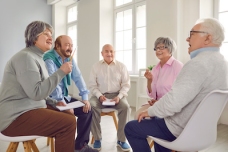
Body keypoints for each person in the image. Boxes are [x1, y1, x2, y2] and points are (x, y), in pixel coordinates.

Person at [124, 17, 228, 152]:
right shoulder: (223, 64)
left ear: (207, 39)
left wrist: (149, 111)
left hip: (179, 127)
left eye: (192, 34)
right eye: (157, 48)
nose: (187, 39)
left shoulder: (197, 64)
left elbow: (173, 102)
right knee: (157, 126)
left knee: (131, 128)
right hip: (202, 129)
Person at [0, 21, 76, 152]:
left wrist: (55, 102)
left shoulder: (37, 57)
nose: (50, 37)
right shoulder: (25, 57)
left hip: (29, 108)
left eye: (51, 34)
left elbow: (39, 91)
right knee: (68, 124)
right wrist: (61, 72)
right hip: (14, 118)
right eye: (46, 34)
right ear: (34, 37)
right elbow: (36, 93)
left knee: (69, 117)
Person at [43, 35, 97, 152]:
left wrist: (85, 98)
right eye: (67, 45)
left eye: (71, 45)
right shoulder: (49, 59)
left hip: (64, 97)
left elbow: (78, 77)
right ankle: (66, 148)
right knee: (68, 116)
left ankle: (80, 146)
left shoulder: (69, 59)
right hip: (51, 99)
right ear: (57, 46)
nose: (70, 48)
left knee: (87, 110)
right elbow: (53, 84)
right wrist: (62, 102)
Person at [88, 44, 131, 151]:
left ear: (114, 53)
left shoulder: (121, 66)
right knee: (91, 106)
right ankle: (97, 138)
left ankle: (121, 140)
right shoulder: (96, 66)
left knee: (125, 107)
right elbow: (92, 85)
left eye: (111, 51)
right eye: (106, 51)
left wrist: (119, 97)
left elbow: (126, 85)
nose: (109, 53)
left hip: (117, 95)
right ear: (102, 53)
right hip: (99, 95)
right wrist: (99, 96)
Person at [135, 37, 183, 119]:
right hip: (157, 105)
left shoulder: (178, 66)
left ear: (170, 49)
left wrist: (160, 102)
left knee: (142, 119)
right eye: (156, 48)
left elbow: (180, 93)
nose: (158, 50)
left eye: (162, 47)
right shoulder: (155, 68)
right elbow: (152, 94)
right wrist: (149, 80)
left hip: (170, 106)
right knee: (138, 114)